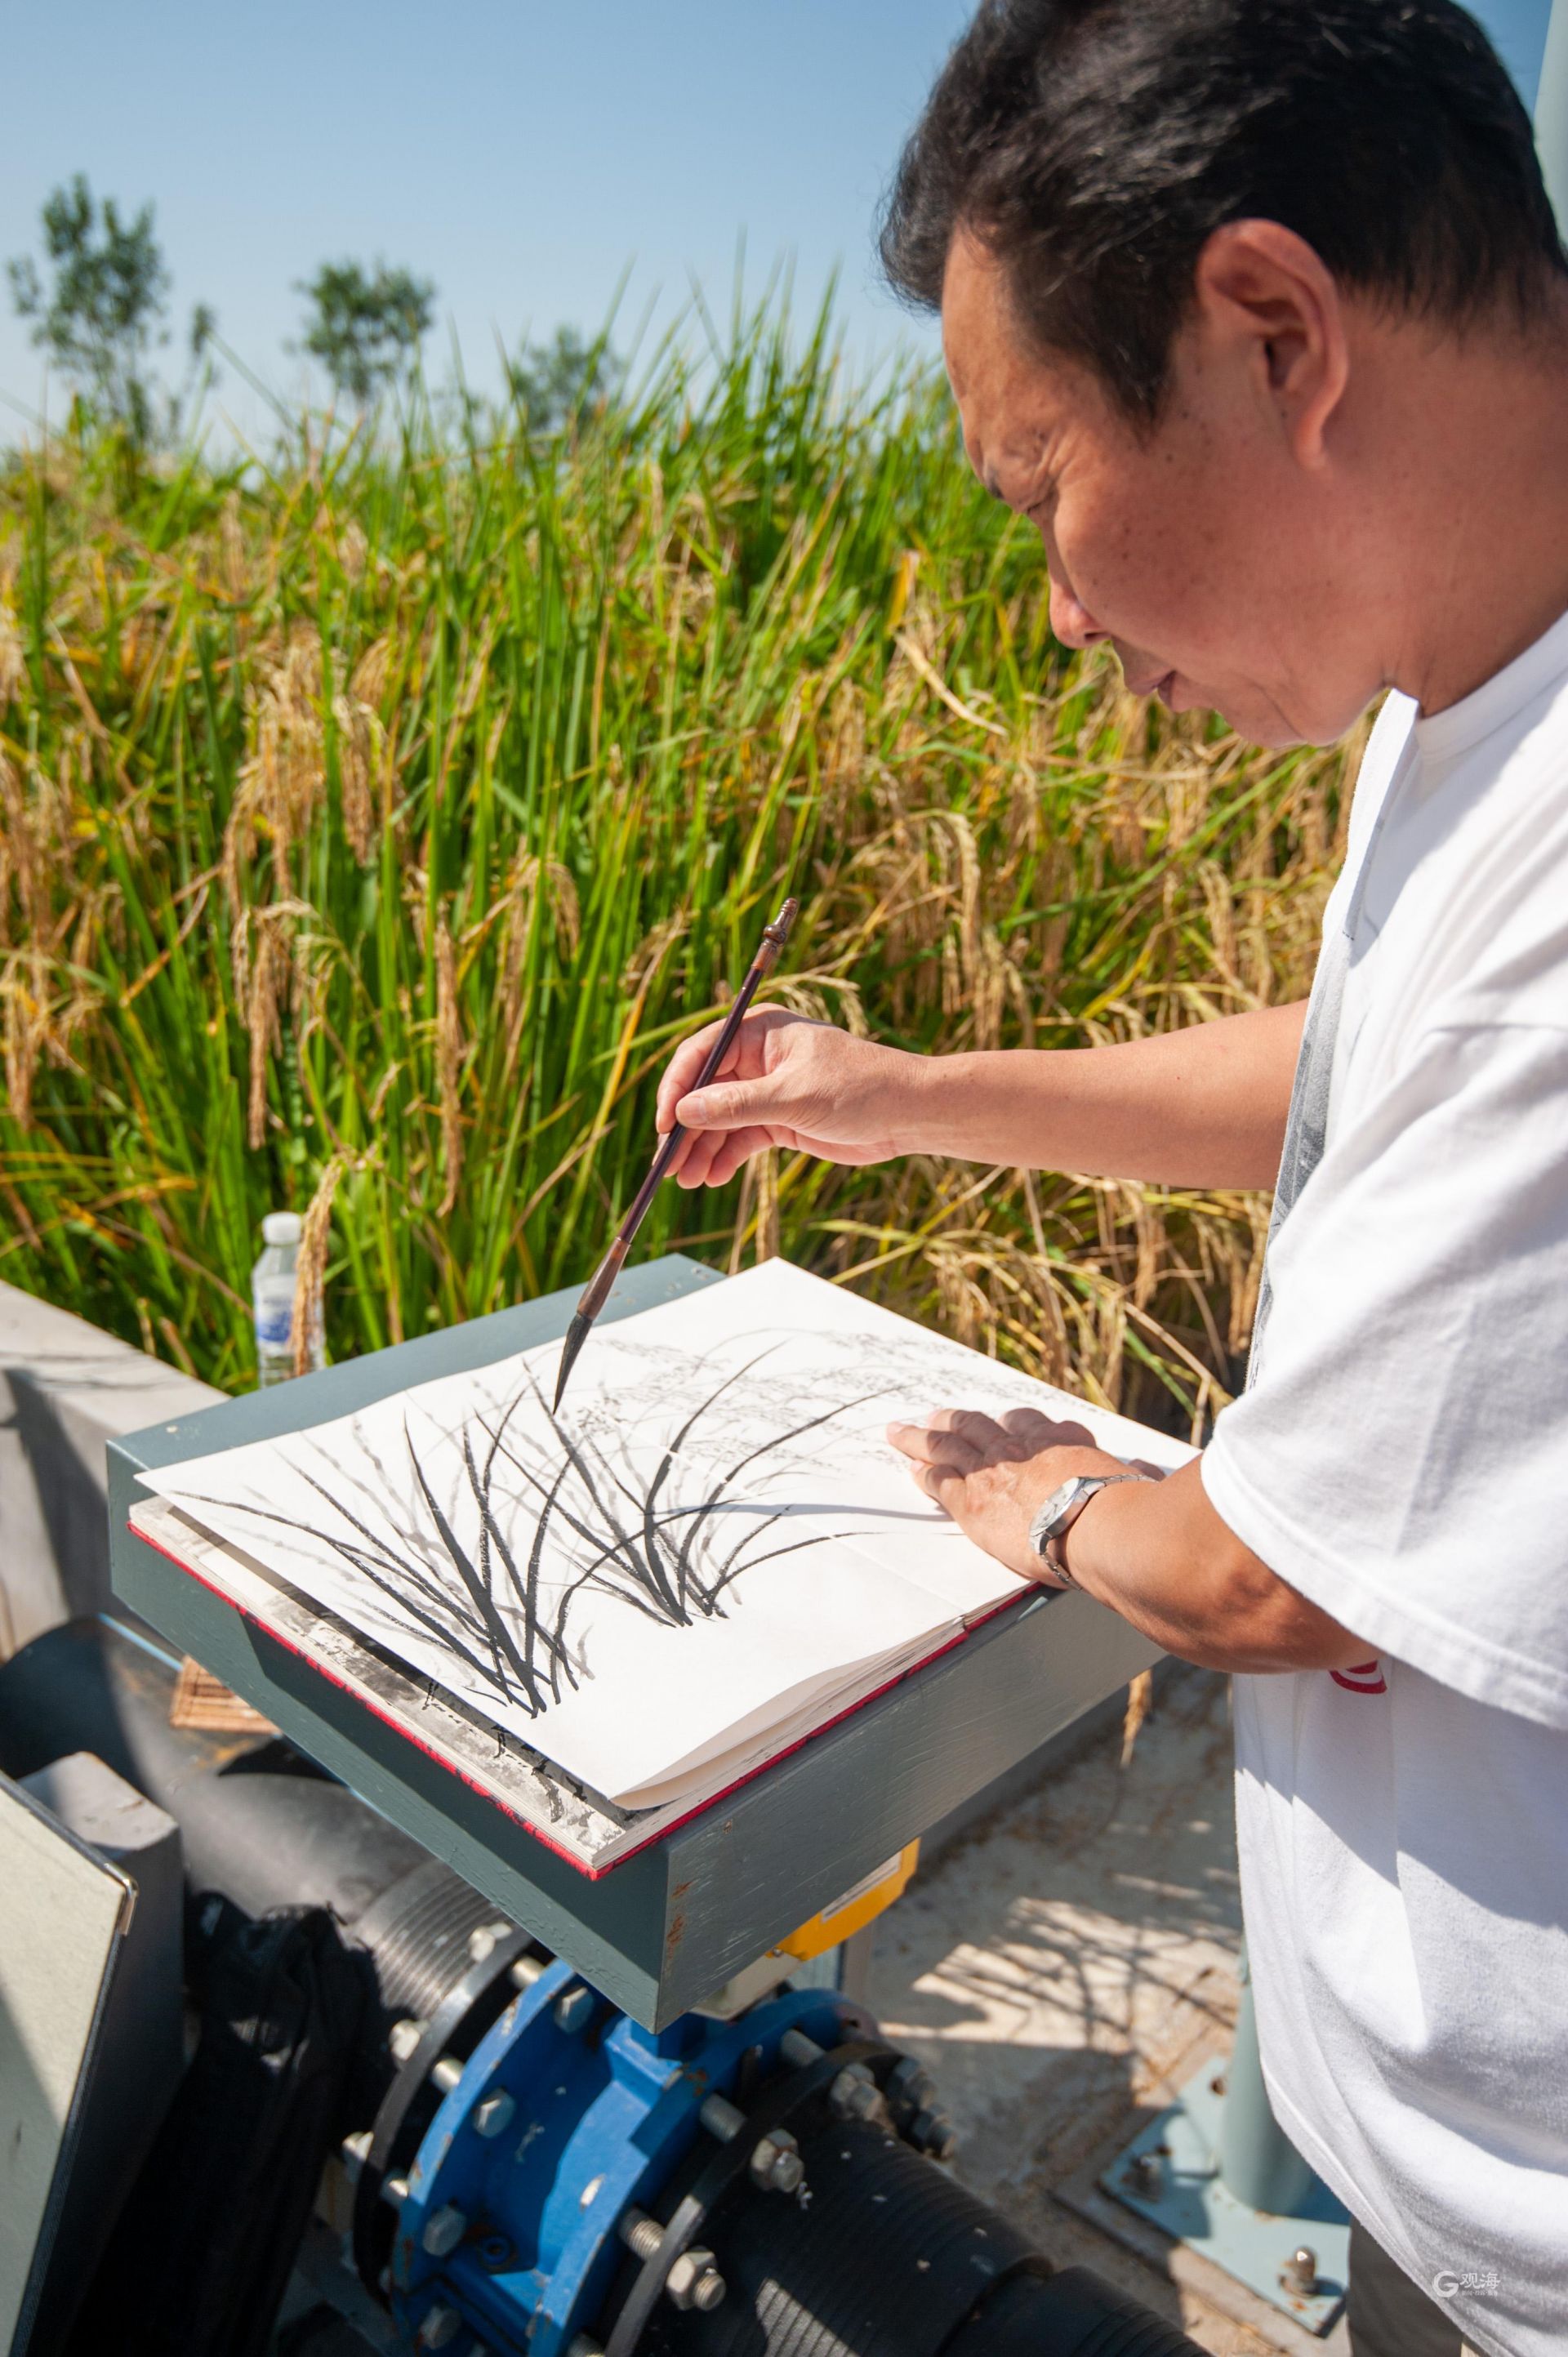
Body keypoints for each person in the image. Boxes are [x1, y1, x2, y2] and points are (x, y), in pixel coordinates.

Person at [653, 7, 1568, 2355]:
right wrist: (907, 1086)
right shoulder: (1471, 690)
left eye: (1037, 480)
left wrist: (1048, 1499)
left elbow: (1275, 1576)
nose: (1056, 605)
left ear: (1275, 331)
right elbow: (1380, 1075)